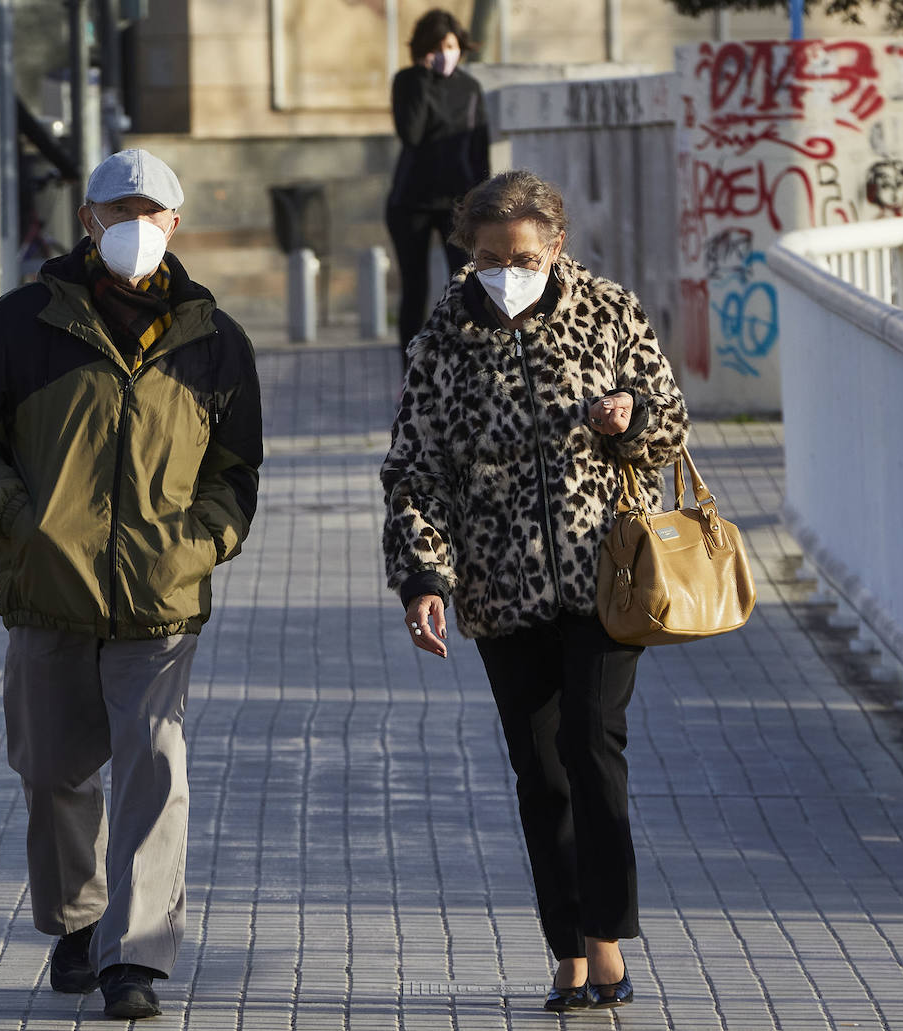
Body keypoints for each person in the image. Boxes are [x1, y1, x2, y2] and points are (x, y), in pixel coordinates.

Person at [0, 148, 263, 1020]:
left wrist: (204, 541)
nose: (136, 228)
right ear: (88, 221)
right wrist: (17, 518)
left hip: (163, 597)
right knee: (52, 771)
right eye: (119, 212)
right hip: (49, 589)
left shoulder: (215, 340)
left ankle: (136, 956)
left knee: (155, 766)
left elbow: (238, 470)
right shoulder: (22, 323)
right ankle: (78, 922)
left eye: (153, 213)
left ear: (177, 225)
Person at [380, 170, 689, 1012]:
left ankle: (606, 940)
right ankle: (566, 948)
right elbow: (415, 472)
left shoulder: (608, 311)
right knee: (539, 769)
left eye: (520, 254)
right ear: (467, 252)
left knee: (593, 743)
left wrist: (631, 419)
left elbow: (670, 420)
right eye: (486, 256)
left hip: (607, 578)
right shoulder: (443, 337)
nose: (503, 269)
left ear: (555, 245)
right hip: (500, 586)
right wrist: (423, 578)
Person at [386, 8, 490, 357]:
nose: (446, 53)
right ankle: (410, 373)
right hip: (410, 203)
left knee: (464, 286)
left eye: (451, 45)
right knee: (414, 290)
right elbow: (411, 133)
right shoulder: (408, 82)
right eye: (437, 46)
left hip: (457, 205)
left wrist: (484, 202)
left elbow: (479, 149)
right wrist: (423, 78)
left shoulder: (470, 87)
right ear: (423, 50)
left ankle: (462, 362)